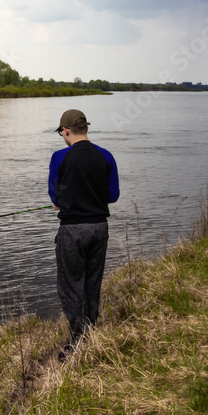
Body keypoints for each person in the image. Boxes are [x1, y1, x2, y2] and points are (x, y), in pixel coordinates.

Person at [48, 109, 119, 361]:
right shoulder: (106, 155)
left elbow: (55, 199)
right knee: (92, 282)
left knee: (70, 286)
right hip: (99, 228)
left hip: (72, 230)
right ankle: (90, 334)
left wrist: (65, 201)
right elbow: (112, 196)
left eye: (61, 133)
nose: (62, 137)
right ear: (86, 129)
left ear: (65, 130)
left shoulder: (59, 158)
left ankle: (76, 343)